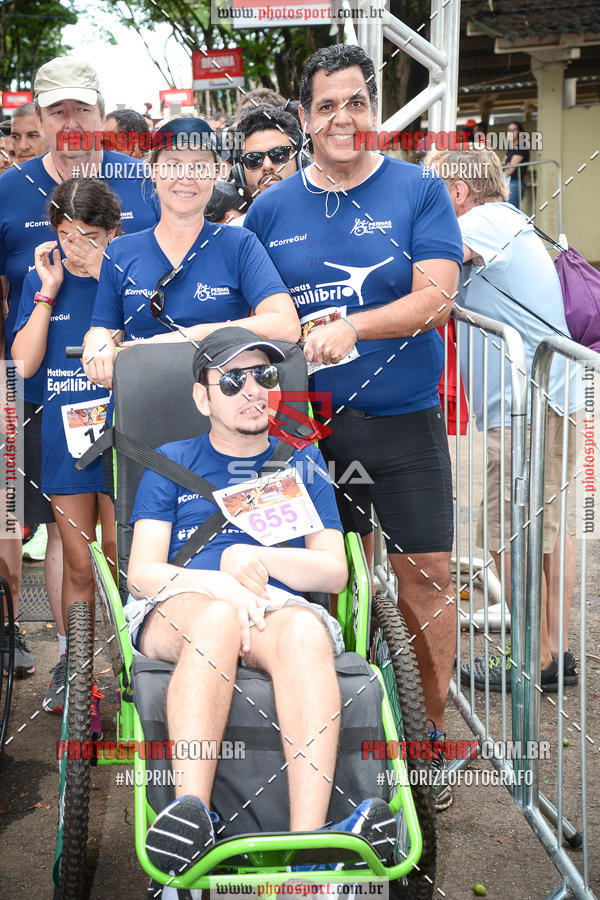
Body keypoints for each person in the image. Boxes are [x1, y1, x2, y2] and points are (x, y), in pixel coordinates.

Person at [244, 44, 463, 811]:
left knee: (426, 579)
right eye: (328, 105)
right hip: (300, 426)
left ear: (373, 111)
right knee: (304, 583)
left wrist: (358, 329)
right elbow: (247, 315)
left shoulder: (418, 189)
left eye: (358, 102)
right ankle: (316, 745)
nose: (346, 117)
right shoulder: (269, 210)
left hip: (400, 418)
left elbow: (437, 298)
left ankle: (428, 745)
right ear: (305, 118)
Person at [126, 326, 396, 875]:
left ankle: (309, 843)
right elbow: (141, 573)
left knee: (302, 632)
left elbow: (335, 571)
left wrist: (258, 560)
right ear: (203, 397)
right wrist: (218, 584)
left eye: (265, 377)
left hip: (275, 607)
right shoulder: (169, 461)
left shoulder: (302, 463)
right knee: (219, 618)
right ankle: (190, 817)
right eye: (232, 380)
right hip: (184, 603)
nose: (252, 390)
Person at [0, 55, 157, 689]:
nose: (71, 123)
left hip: (132, 398)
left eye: (82, 110)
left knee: (127, 538)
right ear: (38, 117)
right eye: (57, 111)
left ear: (101, 114)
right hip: (44, 396)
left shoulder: (143, 184)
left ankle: (135, 653)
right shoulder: (9, 190)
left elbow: (167, 275)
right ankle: (75, 660)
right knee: (67, 543)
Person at [426, 146, 579, 693]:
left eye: (432, 194)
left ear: (459, 193)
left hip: (525, 408)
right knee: (543, 535)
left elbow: (423, 272)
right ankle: (551, 651)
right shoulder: (508, 219)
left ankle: (530, 661)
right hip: (545, 401)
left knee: (508, 535)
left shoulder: (483, 223)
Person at [82, 116, 299, 391]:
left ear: (217, 173)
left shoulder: (239, 243)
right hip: (142, 408)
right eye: (173, 165)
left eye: (200, 166)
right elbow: (106, 328)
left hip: (225, 409)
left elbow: (286, 325)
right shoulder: (120, 252)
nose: (186, 178)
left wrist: (188, 337)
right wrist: (96, 339)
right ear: (152, 170)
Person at [12, 179, 119, 714]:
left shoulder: (126, 273)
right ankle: (77, 674)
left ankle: (130, 666)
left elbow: (157, 337)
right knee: (78, 562)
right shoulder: (43, 275)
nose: (76, 246)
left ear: (112, 233)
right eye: (65, 234)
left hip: (127, 440)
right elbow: (23, 364)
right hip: (65, 440)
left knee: (124, 562)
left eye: (90, 236)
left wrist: (107, 273)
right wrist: (47, 292)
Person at [230, 106, 308, 206]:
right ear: (240, 172)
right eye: (253, 159)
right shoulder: (239, 222)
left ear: (300, 159)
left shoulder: (328, 214)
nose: (267, 166)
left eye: (279, 154)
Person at [503, 121, 528, 209]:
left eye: (514, 130)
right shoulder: (511, 149)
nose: (511, 132)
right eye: (509, 130)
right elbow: (502, 166)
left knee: (511, 213)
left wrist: (506, 167)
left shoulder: (521, 147)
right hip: (507, 183)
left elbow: (509, 171)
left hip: (515, 184)